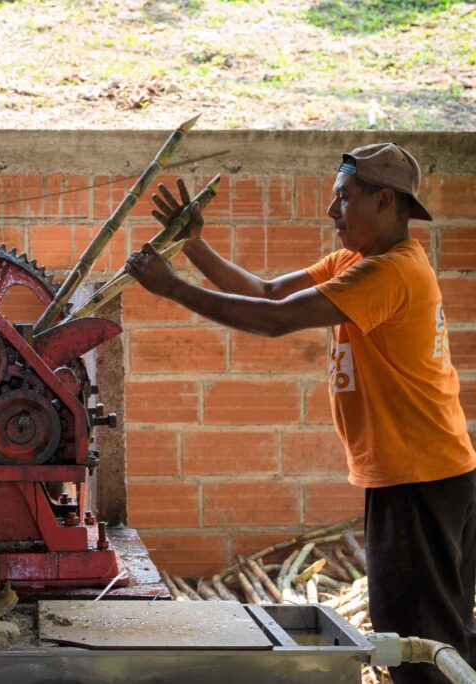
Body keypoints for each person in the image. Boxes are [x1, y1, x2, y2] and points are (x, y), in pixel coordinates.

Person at [126, 142, 476, 684]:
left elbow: (274, 320)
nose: (332, 212)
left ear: (384, 200)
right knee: (438, 632)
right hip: (428, 471)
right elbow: (265, 292)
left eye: (343, 199)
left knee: (418, 638)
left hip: (419, 477)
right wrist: (194, 246)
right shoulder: (360, 261)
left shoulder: (390, 273)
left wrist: (172, 289)